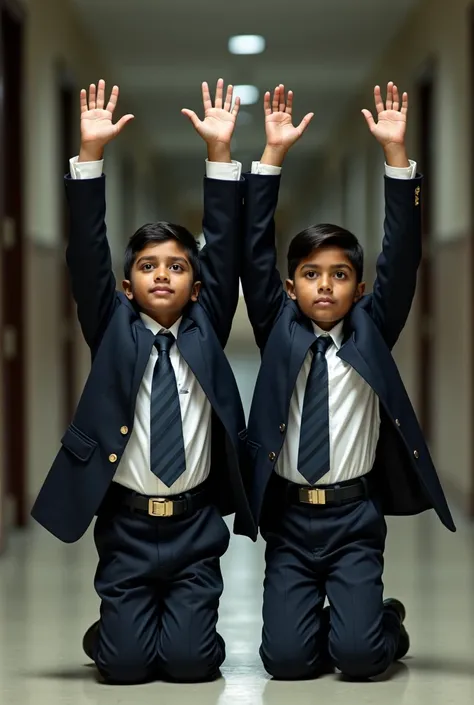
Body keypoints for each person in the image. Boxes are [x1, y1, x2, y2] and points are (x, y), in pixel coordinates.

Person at [31, 78, 255, 684]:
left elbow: (227, 245)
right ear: (127, 286)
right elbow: (86, 254)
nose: (162, 276)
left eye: (178, 267)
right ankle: (117, 630)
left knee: (191, 666)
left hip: (194, 525)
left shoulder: (207, 322)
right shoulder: (112, 327)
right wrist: (90, 157)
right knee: (123, 668)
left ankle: (171, 626)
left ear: (198, 285)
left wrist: (219, 155)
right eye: (148, 267)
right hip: (127, 525)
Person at [238, 82, 455, 680]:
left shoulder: (370, 330)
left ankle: (379, 619)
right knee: (285, 662)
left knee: (359, 659)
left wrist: (396, 158)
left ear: (359, 289)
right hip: (289, 520)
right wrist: (271, 158)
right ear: (291, 289)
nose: (326, 286)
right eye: (311, 274)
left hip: (354, 519)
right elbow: (254, 253)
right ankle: (333, 620)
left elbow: (402, 255)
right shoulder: (276, 327)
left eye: (340, 275)